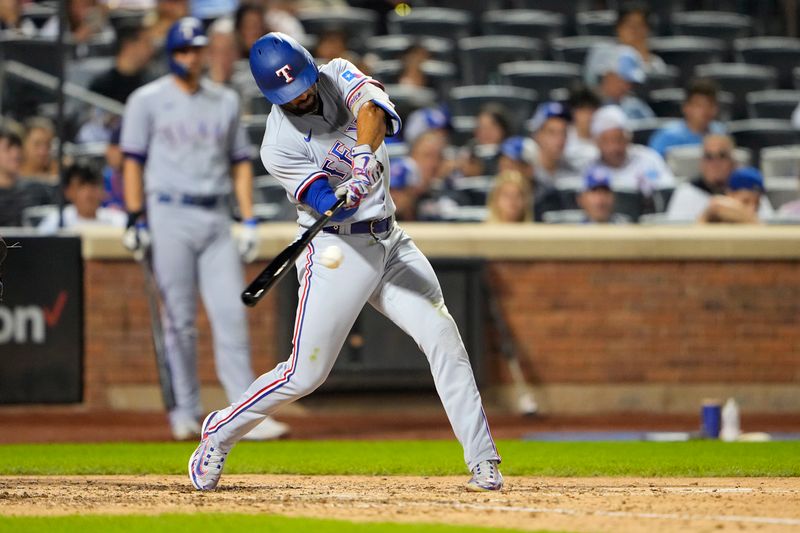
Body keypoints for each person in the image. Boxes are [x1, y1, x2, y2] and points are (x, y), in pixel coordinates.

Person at [188, 32, 503, 493]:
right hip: (337, 250)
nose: (302, 96)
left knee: (443, 338)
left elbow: (373, 111)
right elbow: (324, 198)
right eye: (290, 95)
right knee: (305, 374)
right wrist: (344, 195)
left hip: (391, 241)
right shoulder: (277, 145)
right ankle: (219, 430)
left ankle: (483, 460)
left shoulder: (336, 73)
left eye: (302, 84)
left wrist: (360, 158)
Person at [120, 17, 288, 442]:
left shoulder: (225, 100)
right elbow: (132, 162)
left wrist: (248, 218)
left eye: (196, 50)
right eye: (183, 50)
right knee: (178, 321)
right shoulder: (146, 100)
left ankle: (244, 414)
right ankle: (184, 410)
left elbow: (240, 164)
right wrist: (135, 216)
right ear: (171, 54)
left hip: (216, 216)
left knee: (231, 314)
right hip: (168, 213)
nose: (190, 58)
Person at [666, 135, 773, 221]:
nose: (715, 163)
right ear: (701, 163)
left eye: (722, 156)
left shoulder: (750, 189)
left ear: (733, 162)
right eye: (709, 157)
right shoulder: (686, 193)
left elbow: (769, 228)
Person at [590, 105, 674, 206]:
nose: (614, 147)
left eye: (619, 140)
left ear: (628, 139)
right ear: (597, 143)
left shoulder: (648, 158)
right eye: (607, 141)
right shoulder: (589, 167)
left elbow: (667, 188)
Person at [38, 164, 127, 234]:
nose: (88, 193)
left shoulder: (118, 220)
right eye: (81, 186)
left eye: (93, 185)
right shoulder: (57, 221)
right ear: (68, 192)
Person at [648, 79, 725, 158]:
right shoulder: (667, 136)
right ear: (686, 107)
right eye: (699, 105)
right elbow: (652, 165)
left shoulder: (720, 133)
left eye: (710, 105)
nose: (705, 110)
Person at [89, 22, 155, 105]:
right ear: (129, 45)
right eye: (147, 43)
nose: (152, 50)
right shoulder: (102, 85)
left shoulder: (152, 85)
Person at [528, 102, 582, 186]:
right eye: (552, 132)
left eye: (563, 133)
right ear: (537, 135)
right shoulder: (526, 171)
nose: (560, 139)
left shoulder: (574, 173)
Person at [592, 45, 654, 120]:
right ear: (608, 76)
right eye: (623, 81)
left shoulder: (636, 109)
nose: (627, 87)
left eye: (630, 82)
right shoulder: (588, 107)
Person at [698, 167, 766, 224]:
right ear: (730, 194)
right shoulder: (714, 217)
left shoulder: (758, 219)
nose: (752, 209)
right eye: (746, 201)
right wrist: (752, 221)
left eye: (757, 205)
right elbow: (716, 206)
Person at [565, 86, 601, 171]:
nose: (588, 115)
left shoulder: (604, 138)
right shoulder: (563, 136)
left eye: (591, 110)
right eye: (583, 110)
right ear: (573, 111)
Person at [19, 117, 58, 185]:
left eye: (48, 145)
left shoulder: (57, 172)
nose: (43, 151)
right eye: (37, 144)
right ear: (23, 144)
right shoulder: (10, 176)